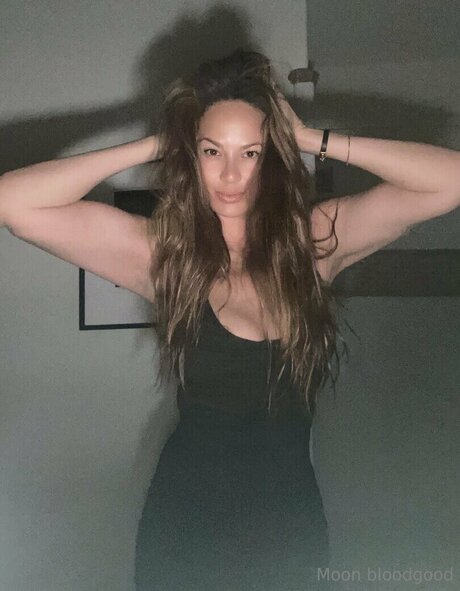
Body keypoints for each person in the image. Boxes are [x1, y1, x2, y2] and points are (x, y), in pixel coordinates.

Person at [1, 48, 459, 591]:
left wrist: (311, 138)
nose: (230, 174)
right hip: (186, 524)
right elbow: (13, 204)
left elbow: (448, 182)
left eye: (251, 152)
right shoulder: (167, 257)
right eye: (212, 150)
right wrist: (157, 144)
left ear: (273, 157)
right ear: (192, 156)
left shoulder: (315, 243)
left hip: (291, 520)